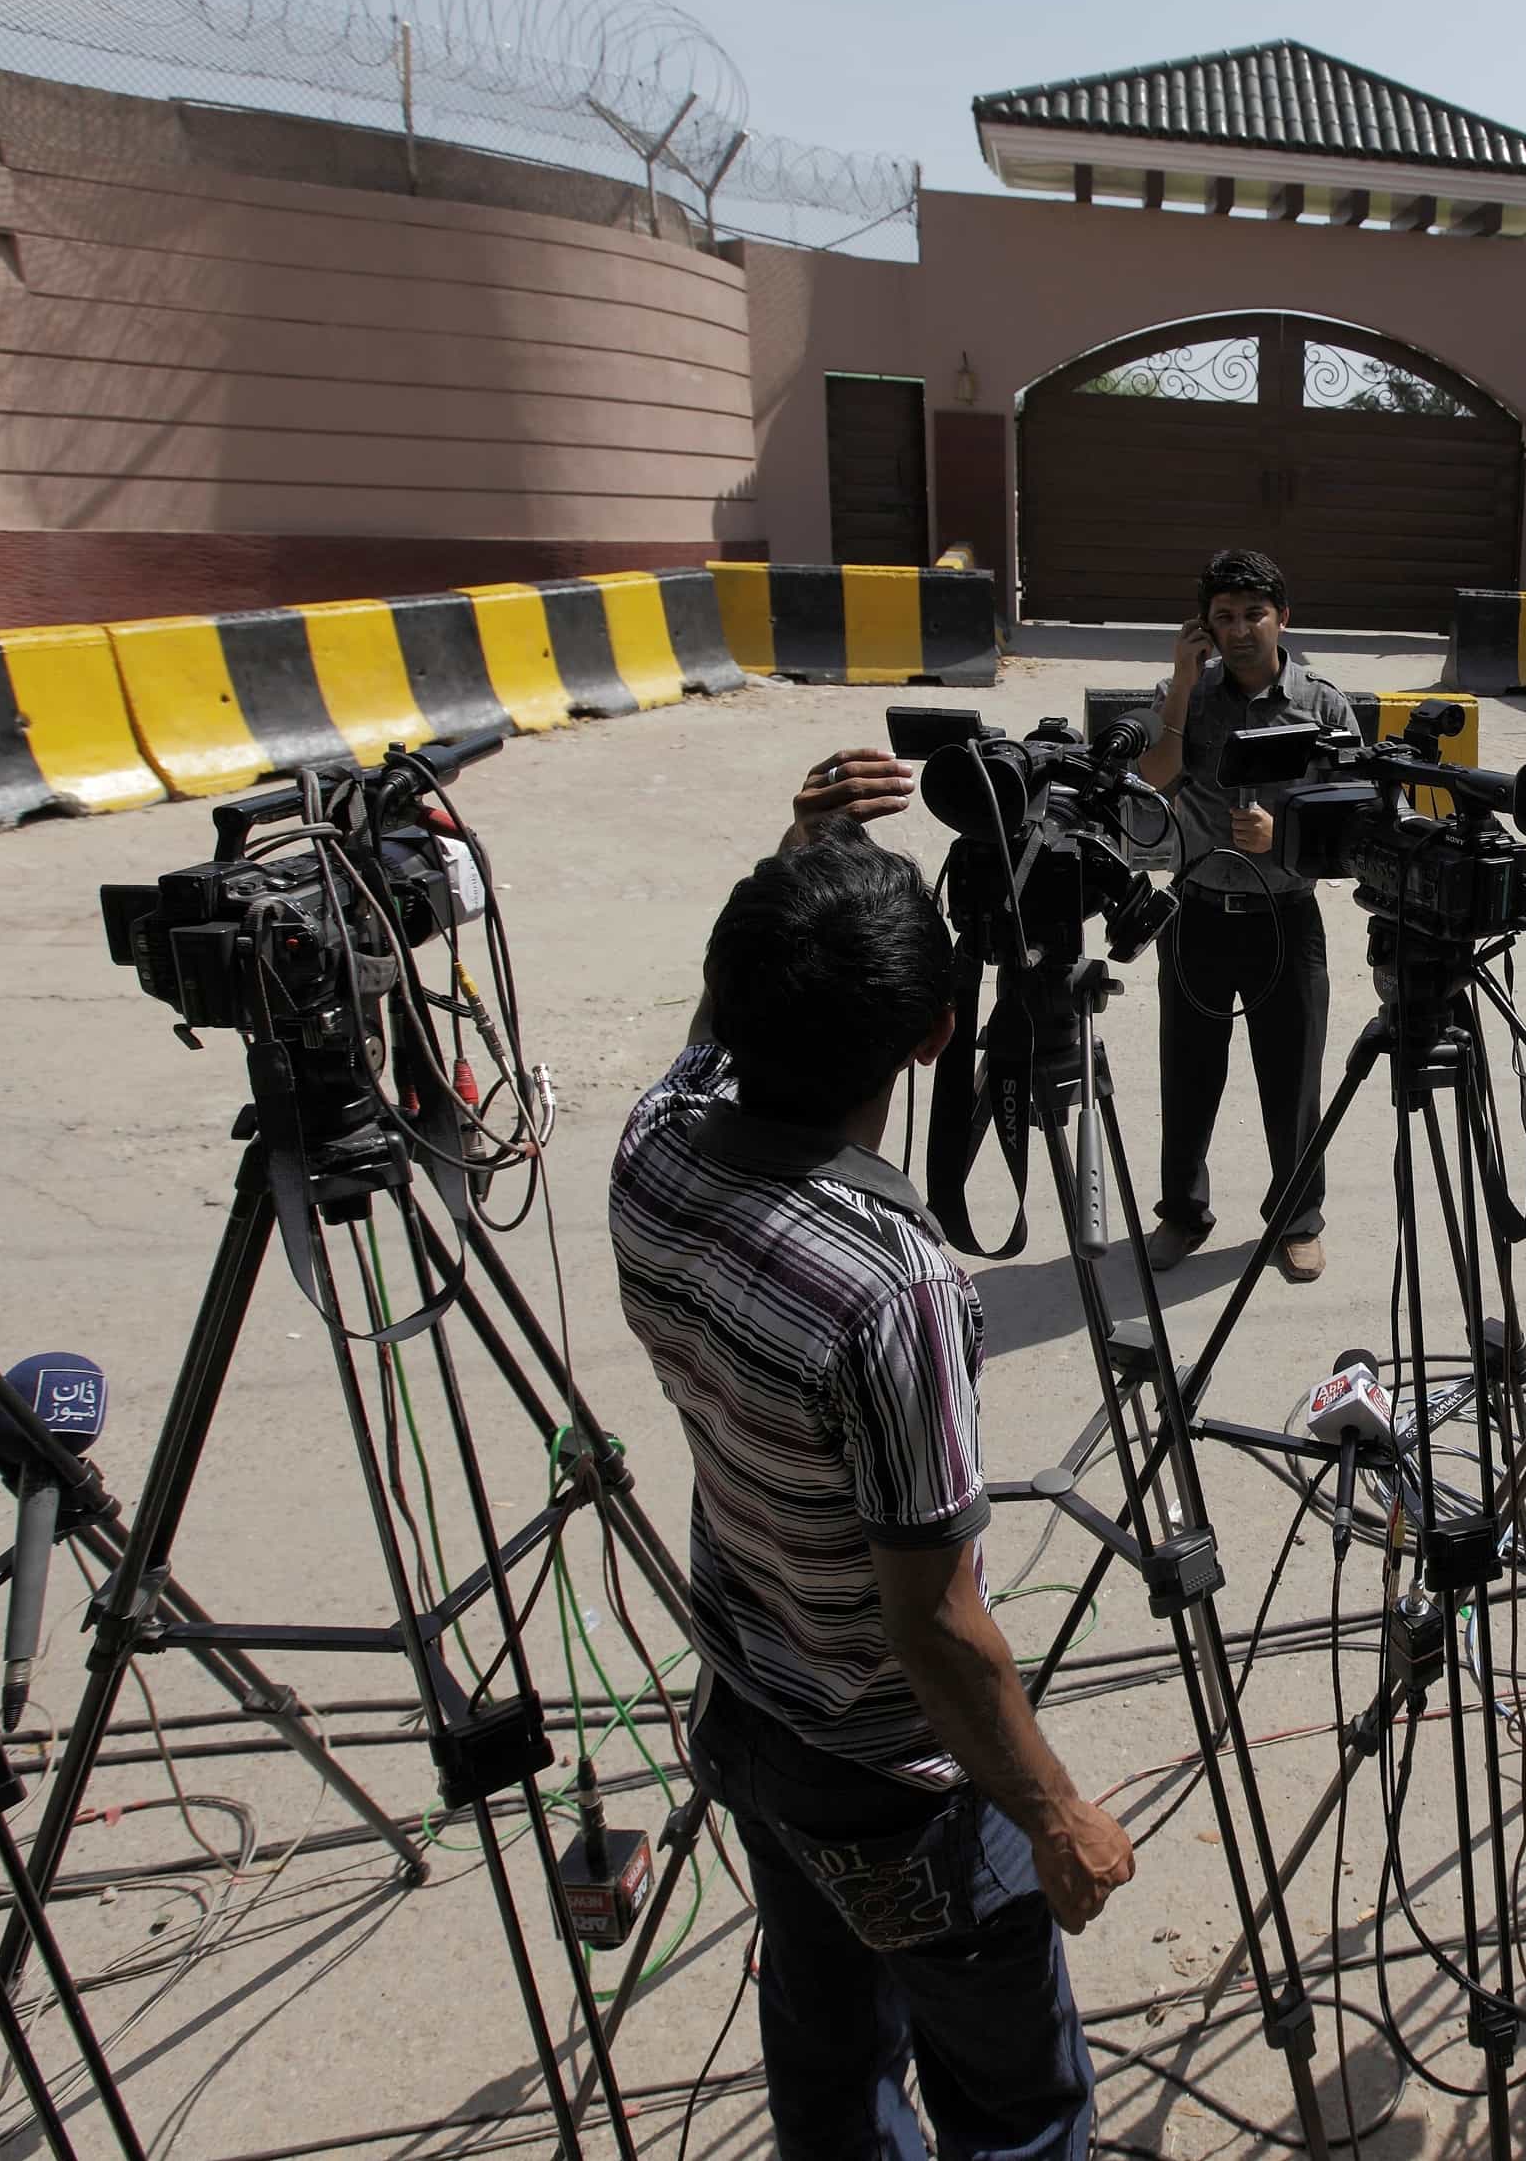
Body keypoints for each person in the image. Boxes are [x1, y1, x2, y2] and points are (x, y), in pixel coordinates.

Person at [614, 754, 1137, 2160]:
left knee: (827, 2051)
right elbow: (933, 1621)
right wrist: (1054, 1812)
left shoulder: (654, 1149)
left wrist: (802, 860)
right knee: (1015, 2103)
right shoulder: (888, 1288)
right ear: (929, 1040)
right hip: (886, 1780)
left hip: (749, 1706)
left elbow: (719, 1023)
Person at [1132, 547, 1354, 1284]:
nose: (1239, 629)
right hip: (1195, 915)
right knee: (1188, 1073)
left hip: (1284, 919)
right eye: (1222, 617)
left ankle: (1295, 1217)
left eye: (1253, 613)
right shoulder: (1185, 694)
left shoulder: (1321, 704)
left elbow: (1354, 823)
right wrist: (1180, 686)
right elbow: (1151, 779)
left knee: (1291, 1080)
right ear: (1204, 625)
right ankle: (1182, 1214)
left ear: (1282, 618)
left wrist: (1282, 839)